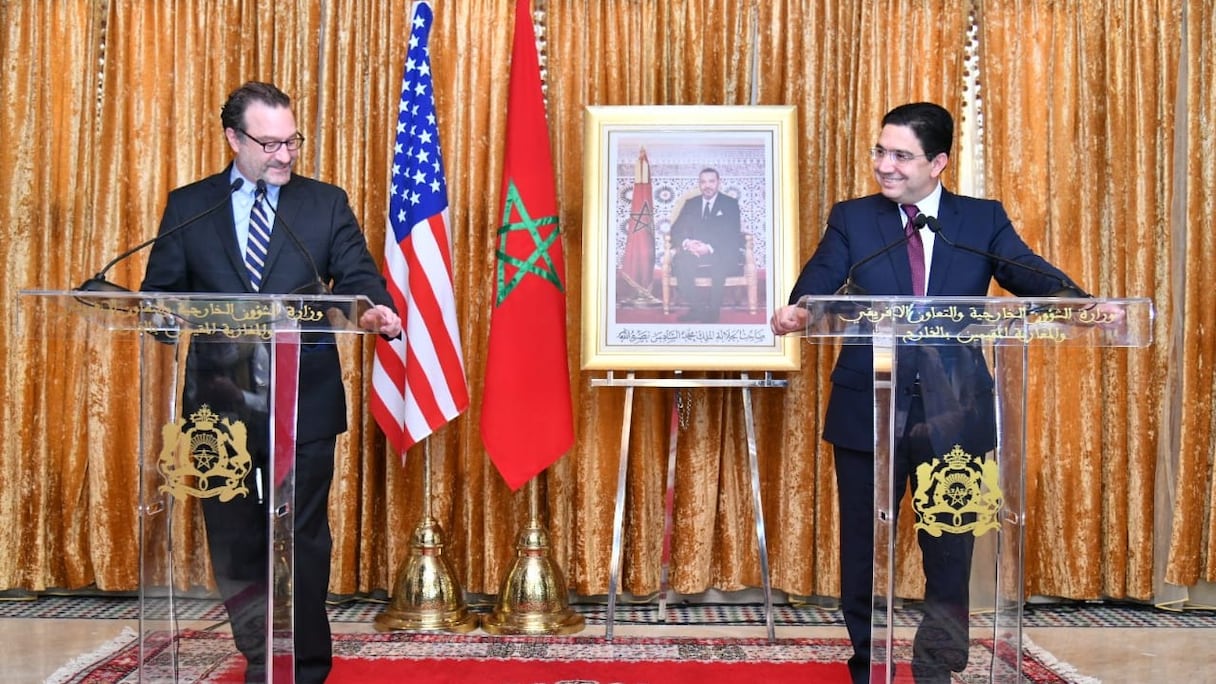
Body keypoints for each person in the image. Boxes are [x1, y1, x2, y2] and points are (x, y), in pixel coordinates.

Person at [770, 102, 1091, 684]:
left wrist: (1081, 300)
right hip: (868, 410)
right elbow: (823, 275)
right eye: (879, 151)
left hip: (956, 411)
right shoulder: (854, 218)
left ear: (938, 162)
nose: (884, 166)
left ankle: (937, 670)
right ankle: (869, 668)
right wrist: (798, 308)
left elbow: (1023, 270)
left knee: (949, 553)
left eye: (900, 156)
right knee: (865, 553)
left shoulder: (978, 220)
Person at [141, 81, 401, 684]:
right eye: (270, 143)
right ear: (234, 138)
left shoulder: (324, 203)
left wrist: (373, 312)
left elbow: (359, 277)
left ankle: (306, 667)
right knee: (234, 540)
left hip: (302, 402)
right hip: (218, 405)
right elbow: (163, 293)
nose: (285, 155)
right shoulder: (190, 205)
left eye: (291, 141)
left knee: (301, 538)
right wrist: (158, 316)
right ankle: (260, 658)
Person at [668, 167, 745, 323]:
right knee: (681, 263)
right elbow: (676, 229)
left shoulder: (730, 203)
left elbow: (732, 233)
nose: (707, 185)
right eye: (703, 182)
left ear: (718, 183)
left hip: (719, 251)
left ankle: (713, 312)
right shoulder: (691, 203)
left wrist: (708, 248)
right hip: (694, 251)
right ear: (699, 184)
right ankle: (698, 309)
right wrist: (687, 243)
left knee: (719, 264)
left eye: (711, 181)